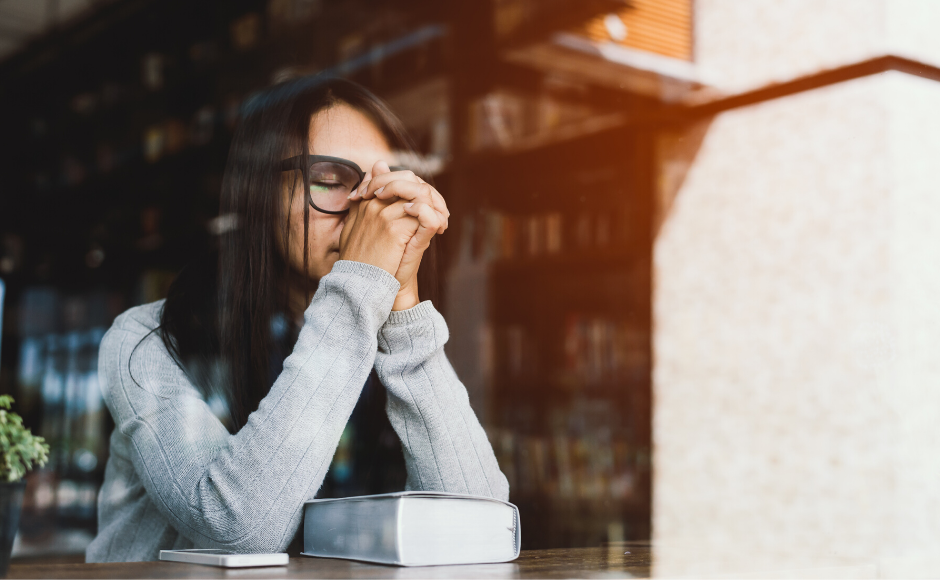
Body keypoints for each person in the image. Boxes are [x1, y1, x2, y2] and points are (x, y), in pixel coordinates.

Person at [85, 76, 509, 563]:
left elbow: (482, 529)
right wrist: (362, 282)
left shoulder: (375, 332)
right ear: (259, 195)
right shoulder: (145, 342)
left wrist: (404, 312)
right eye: (329, 180)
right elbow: (237, 528)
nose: (367, 215)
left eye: (384, 190)